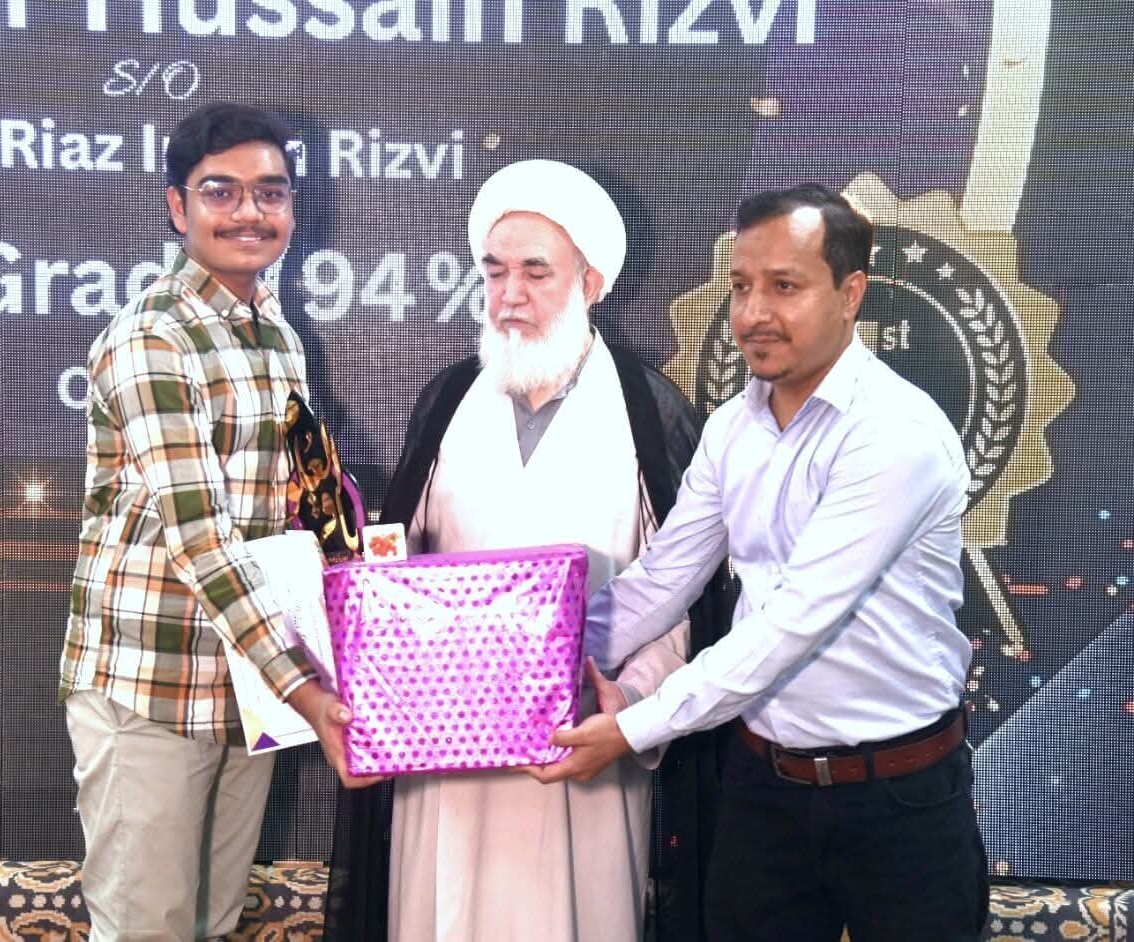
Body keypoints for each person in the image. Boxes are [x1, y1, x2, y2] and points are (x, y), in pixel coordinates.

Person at [532, 184, 990, 940]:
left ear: (851, 294)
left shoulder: (895, 433)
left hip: (899, 798)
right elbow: (660, 583)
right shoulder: (730, 430)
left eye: (785, 286)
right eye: (742, 286)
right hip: (762, 793)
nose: (752, 314)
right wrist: (532, 667)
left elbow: (788, 626)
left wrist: (634, 727)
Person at [323, 159, 734, 942]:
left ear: (591, 282)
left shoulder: (649, 413)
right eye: (494, 271)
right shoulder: (448, 399)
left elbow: (680, 599)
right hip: (442, 754)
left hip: (581, 755)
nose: (510, 295)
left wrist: (629, 701)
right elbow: (398, 565)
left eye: (536, 273)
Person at [59, 101, 366, 942]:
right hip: (150, 685)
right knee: (148, 929)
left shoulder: (278, 336)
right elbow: (200, 540)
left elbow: (297, 504)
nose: (249, 213)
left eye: (271, 192)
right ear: (177, 206)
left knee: (214, 922)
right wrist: (308, 688)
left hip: (247, 687)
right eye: (221, 191)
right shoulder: (152, 337)